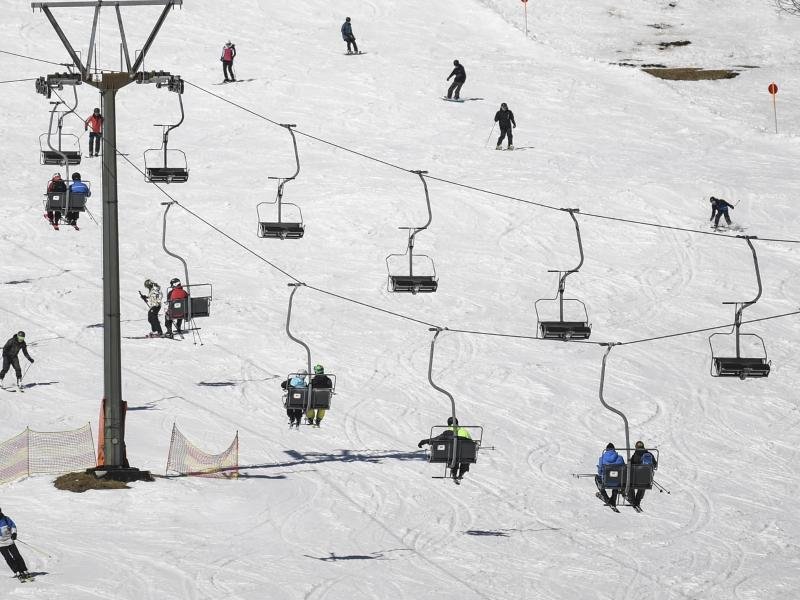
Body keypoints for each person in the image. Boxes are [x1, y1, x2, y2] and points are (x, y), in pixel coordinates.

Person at [418, 416, 473, 483]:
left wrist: (425, 441)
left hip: (453, 455)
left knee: (453, 454)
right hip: (466, 455)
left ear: (449, 424)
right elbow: (472, 444)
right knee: (463, 454)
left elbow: (436, 440)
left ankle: (454, 473)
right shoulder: (465, 431)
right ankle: (461, 474)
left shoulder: (448, 432)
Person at [0, 508, 30, 581]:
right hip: (1, 544)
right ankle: (17, 571)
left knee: (17, 555)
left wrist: (14, 533)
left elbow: (13, 526)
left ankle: (24, 570)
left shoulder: (6, 519)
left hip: (10, 541)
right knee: (8, 558)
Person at [627, 440, 657, 508]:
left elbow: (630, 465)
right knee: (643, 484)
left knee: (630, 484)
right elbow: (655, 465)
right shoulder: (649, 454)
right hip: (646, 478)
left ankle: (632, 499)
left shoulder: (635, 455)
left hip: (635, 478)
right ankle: (638, 501)